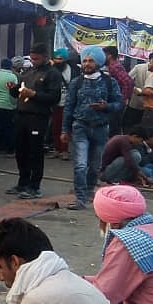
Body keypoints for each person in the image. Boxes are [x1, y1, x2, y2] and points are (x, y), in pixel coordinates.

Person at [61, 45, 123, 210]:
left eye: (91, 61)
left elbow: (119, 104)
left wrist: (106, 107)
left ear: (99, 62)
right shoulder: (77, 82)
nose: (87, 64)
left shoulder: (110, 82)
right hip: (80, 127)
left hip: (101, 129)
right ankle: (80, 198)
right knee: (80, 164)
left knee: (95, 166)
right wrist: (64, 130)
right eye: (85, 60)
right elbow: (69, 107)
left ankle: (89, 192)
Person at [7, 43, 63, 199]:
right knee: (20, 150)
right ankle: (22, 182)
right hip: (21, 115)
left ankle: (34, 186)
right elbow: (18, 92)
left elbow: (54, 98)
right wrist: (13, 88)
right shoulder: (28, 72)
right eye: (31, 58)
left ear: (45, 56)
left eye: (36, 59)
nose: (33, 61)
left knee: (35, 152)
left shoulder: (53, 74)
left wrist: (34, 95)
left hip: (38, 117)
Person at [47, 48, 79, 161]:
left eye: (60, 59)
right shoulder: (51, 71)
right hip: (55, 103)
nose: (57, 61)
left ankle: (64, 150)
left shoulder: (73, 70)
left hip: (68, 103)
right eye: (56, 58)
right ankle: (56, 149)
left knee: (65, 129)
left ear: (65, 59)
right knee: (55, 128)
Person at [103, 46, 133, 137]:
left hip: (116, 102)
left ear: (109, 56)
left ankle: (113, 148)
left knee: (114, 128)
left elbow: (128, 82)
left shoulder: (114, 67)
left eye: (103, 55)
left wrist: (122, 98)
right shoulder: (113, 66)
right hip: (115, 101)